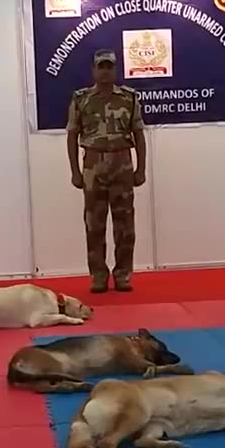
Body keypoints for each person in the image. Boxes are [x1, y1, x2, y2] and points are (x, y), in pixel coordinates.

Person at [66, 49, 147, 293]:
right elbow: (72, 135)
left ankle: (123, 275)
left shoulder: (129, 98)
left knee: (125, 225)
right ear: (93, 70)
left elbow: (139, 135)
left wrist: (141, 169)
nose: (105, 71)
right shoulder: (81, 99)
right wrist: (75, 171)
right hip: (93, 164)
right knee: (94, 224)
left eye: (109, 67)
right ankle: (98, 276)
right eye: (100, 67)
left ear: (115, 70)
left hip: (122, 163)